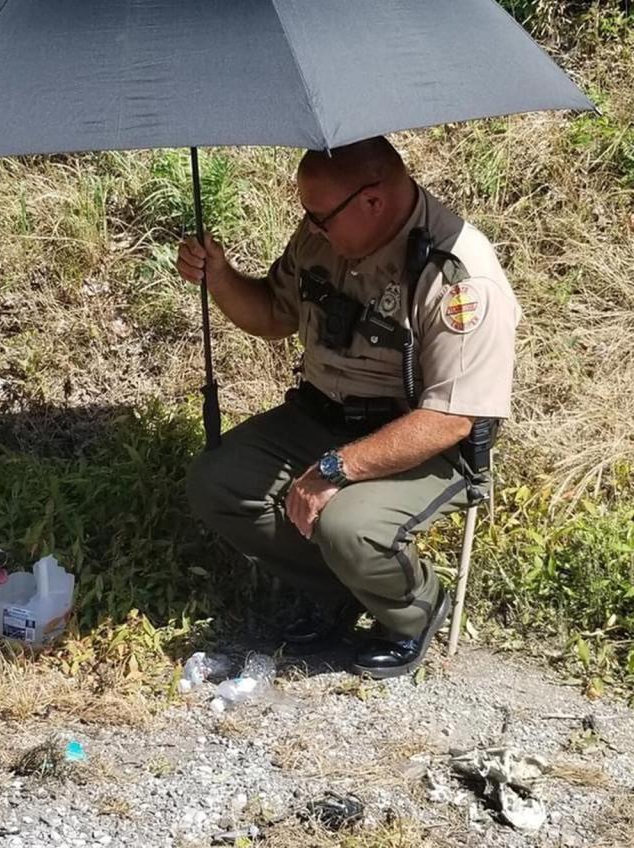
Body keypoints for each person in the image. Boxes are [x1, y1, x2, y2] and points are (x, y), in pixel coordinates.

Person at [178, 137, 521, 678]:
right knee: (219, 481)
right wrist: (219, 276)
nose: (310, 227)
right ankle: (340, 589)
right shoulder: (325, 237)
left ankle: (414, 610)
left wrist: (335, 470)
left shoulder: (458, 275)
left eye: (320, 216)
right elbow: (273, 314)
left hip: (420, 441)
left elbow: (453, 417)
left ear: (373, 201)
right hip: (320, 416)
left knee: (346, 526)